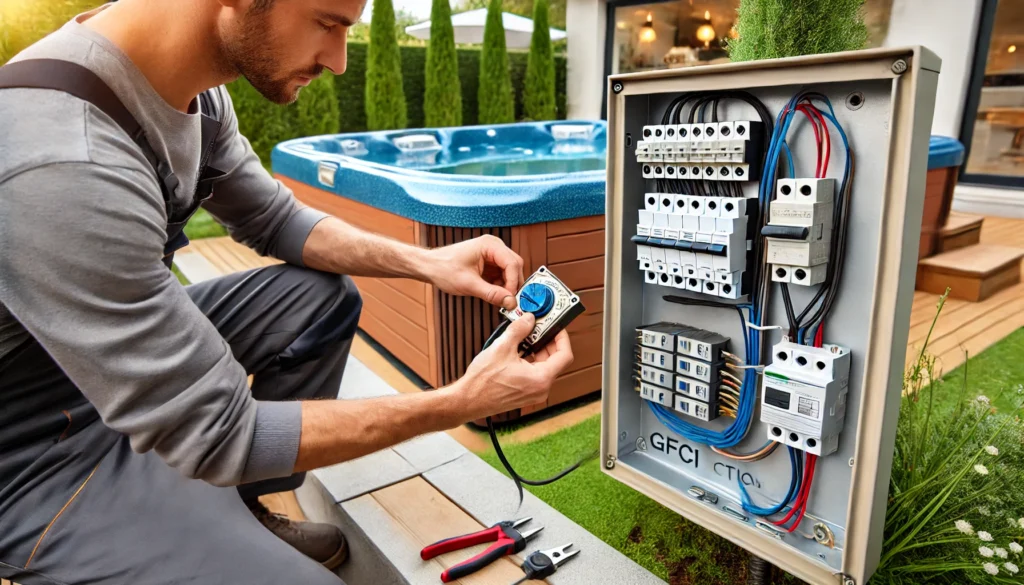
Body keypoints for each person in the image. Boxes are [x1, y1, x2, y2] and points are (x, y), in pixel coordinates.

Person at [0, 1, 574, 584]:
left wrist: (427, 263)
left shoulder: (193, 97)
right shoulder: (63, 156)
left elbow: (277, 221)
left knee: (318, 300)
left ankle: (241, 508)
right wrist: (459, 402)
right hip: (35, 456)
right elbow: (220, 432)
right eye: (328, 23)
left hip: (107, 372)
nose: (340, 61)